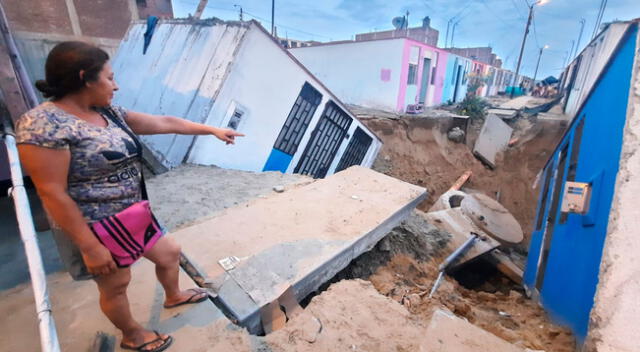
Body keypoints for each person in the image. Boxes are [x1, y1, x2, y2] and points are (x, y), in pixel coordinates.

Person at [16, 41, 244, 351]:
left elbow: (163, 123)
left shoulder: (107, 111)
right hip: (95, 227)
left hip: (134, 213)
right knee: (116, 286)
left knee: (169, 253)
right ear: (86, 77)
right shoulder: (42, 125)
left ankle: (173, 296)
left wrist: (212, 130)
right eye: (110, 78)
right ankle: (133, 335)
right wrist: (90, 247)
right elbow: (51, 192)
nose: (116, 85)